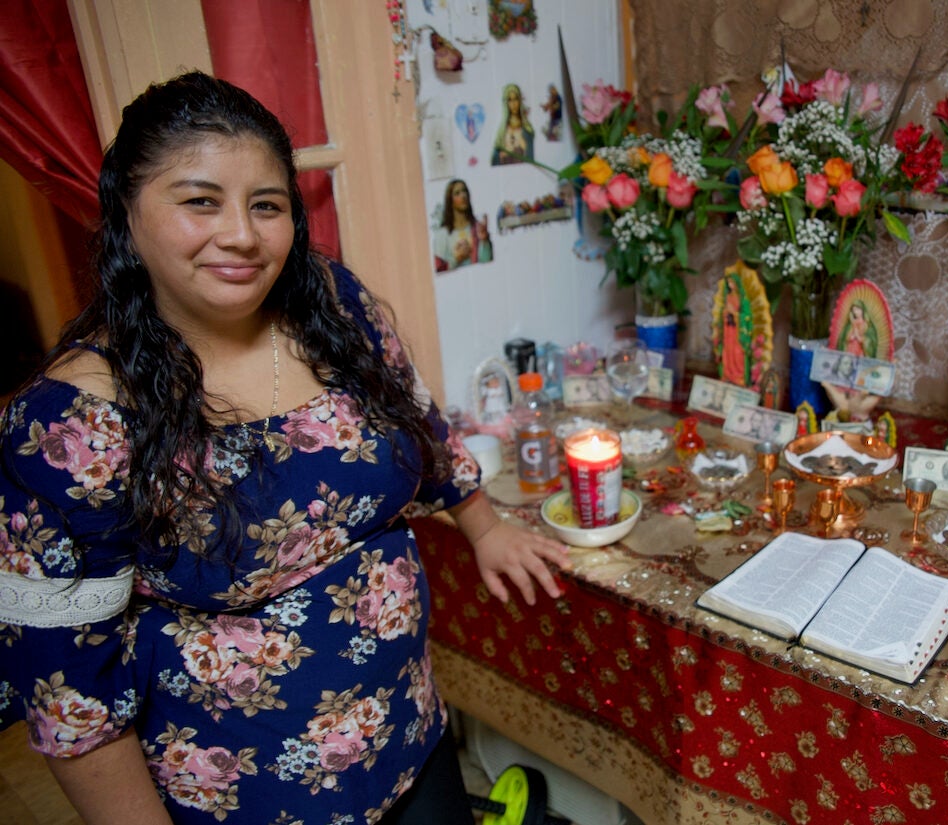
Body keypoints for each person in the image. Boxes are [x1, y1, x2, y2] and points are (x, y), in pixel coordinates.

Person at [0, 72, 570, 825]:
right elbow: (70, 698)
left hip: (411, 734)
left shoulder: (330, 303)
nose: (242, 233)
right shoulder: (68, 426)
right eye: (200, 201)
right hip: (252, 798)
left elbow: (415, 414)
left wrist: (484, 524)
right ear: (126, 215)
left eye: (266, 205)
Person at [433, 179, 492, 271]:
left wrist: (484, 240)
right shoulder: (442, 234)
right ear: (450, 200)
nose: (463, 196)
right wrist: (456, 259)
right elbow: (439, 269)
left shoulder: (477, 227)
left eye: (465, 191)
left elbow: (487, 262)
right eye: (457, 193)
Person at [491, 83, 534, 165]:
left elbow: (530, 154)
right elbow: (495, 155)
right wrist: (502, 153)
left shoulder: (526, 127)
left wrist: (521, 147)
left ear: (520, 100)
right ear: (506, 103)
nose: (513, 104)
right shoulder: (502, 129)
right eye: (510, 100)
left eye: (515, 99)